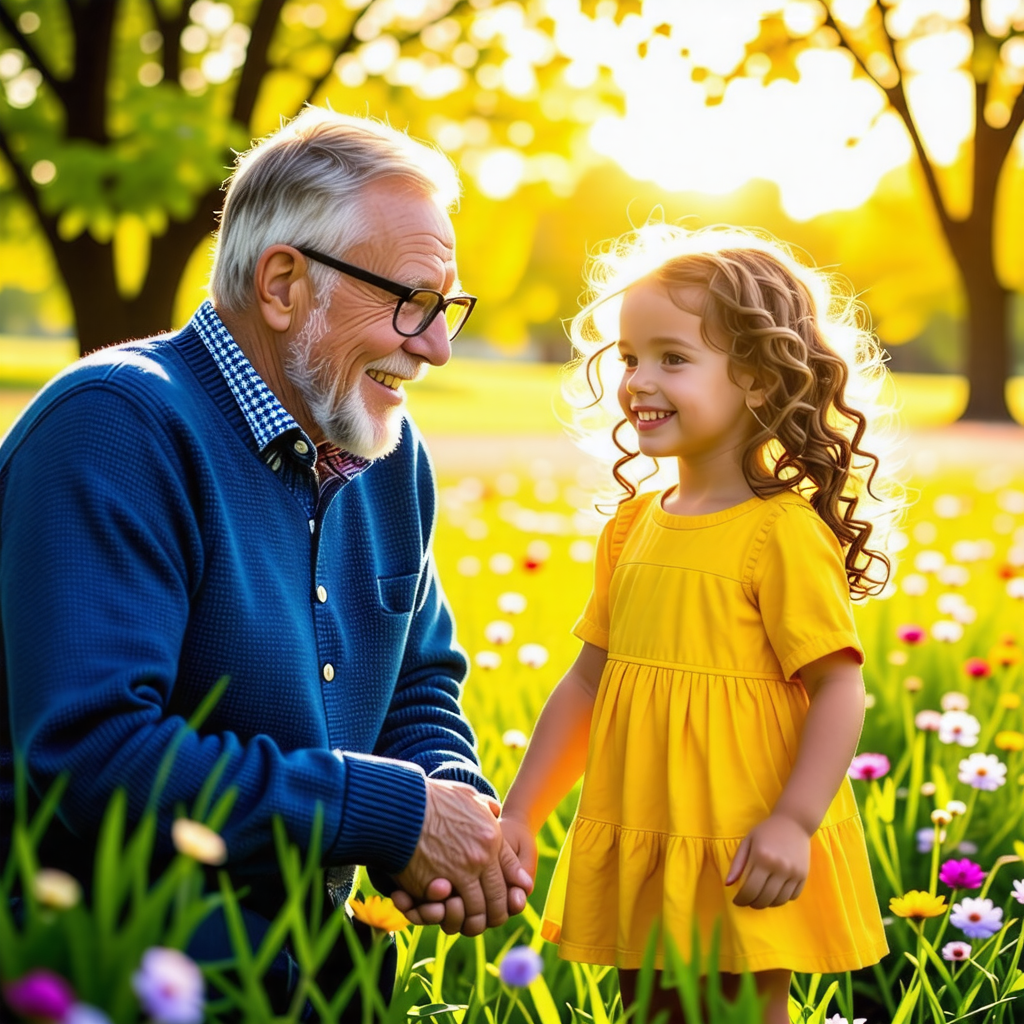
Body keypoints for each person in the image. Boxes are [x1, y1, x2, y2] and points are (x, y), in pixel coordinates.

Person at [0, 108, 531, 1014]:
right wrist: (391, 814)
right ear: (283, 283)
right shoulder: (116, 427)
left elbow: (419, 685)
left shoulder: (387, 454)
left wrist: (446, 798)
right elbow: (94, 754)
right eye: (411, 300)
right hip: (116, 975)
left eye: (446, 308)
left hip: (325, 979)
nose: (437, 345)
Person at [493, 225, 896, 1023]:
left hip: (737, 841)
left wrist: (793, 820)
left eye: (673, 358)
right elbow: (587, 682)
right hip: (647, 828)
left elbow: (839, 688)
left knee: (740, 1009)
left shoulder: (780, 532)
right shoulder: (633, 525)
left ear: (755, 376)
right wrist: (522, 811)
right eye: (631, 357)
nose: (639, 379)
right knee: (648, 1005)